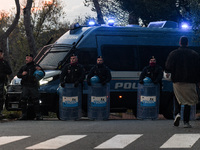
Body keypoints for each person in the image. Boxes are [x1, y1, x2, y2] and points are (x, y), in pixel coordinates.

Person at [165, 36, 200, 128]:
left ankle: (177, 114)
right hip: (190, 81)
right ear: (187, 43)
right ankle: (186, 122)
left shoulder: (173, 53)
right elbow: (198, 69)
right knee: (188, 102)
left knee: (177, 97)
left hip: (177, 80)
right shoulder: (194, 54)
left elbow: (168, 67)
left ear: (180, 43)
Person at [17, 54, 45, 120]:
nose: (26, 59)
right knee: (23, 100)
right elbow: (18, 75)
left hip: (33, 86)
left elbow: (43, 73)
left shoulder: (36, 66)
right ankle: (24, 115)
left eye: (27, 58)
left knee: (36, 100)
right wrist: (22, 74)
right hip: (25, 86)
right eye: (26, 58)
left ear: (31, 59)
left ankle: (38, 115)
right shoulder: (24, 67)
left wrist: (40, 69)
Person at [0, 50, 12, 117]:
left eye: (1, 53)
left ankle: (0, 111)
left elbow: (9, 71)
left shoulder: (4, 62)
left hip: (2, 81)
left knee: (1, 96)